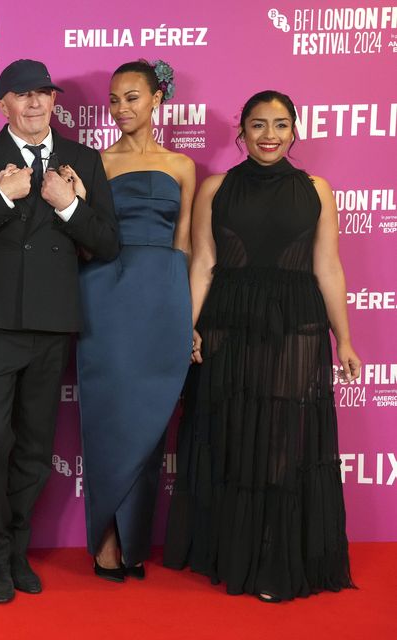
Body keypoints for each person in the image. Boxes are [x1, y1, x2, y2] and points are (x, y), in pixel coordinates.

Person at [163, 90, 360, 602]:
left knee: (281, 441)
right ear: (242, 131)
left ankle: (274, 555)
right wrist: (187, 326)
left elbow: (328, 267)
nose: (268, 135)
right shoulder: (215, 188)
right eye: (257, 125)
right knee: (230, 435)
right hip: (228, 320)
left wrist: (345, 338)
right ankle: (232, 552)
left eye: (279, 125)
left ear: (295, 131)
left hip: (296, 321)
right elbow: (203, 263)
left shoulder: (317, 189)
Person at [0, 59, 119, 603]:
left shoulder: (83, 160)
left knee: (36, 447)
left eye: (44, 93)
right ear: (3, 106)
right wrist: (2, 197)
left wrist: (69, 207)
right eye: (24, 95)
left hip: (51, 323)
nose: (36, 103)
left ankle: (19, 549)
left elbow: (107, 242)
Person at [77, 60, 194, 582]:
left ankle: (134, 540)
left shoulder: (183, 166)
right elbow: (87, 235)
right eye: (114, 99)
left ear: (157, 100)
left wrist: (187, 312)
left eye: (132, 98)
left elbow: (185, 243)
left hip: (162, 293)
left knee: (149, 417)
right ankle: (105, 536)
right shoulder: (95, 163)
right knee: (107, 413)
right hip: (107, 290)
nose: (122, 108)